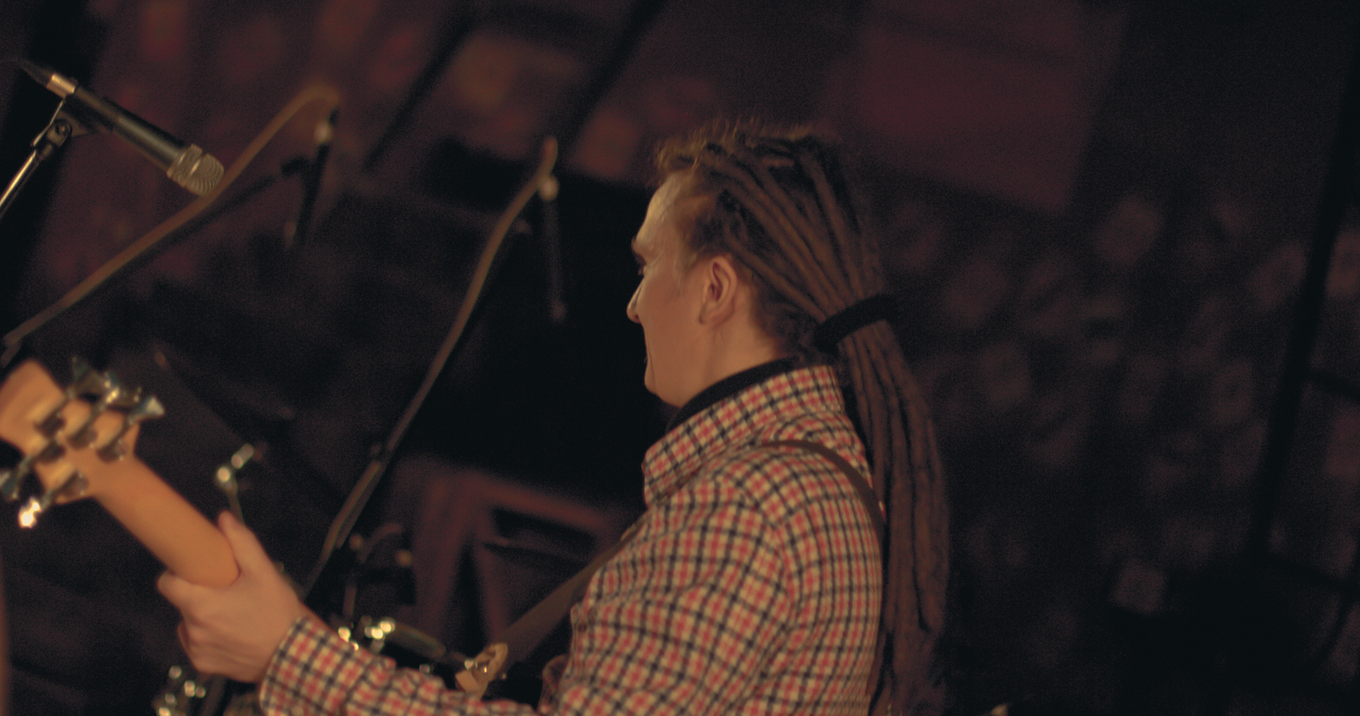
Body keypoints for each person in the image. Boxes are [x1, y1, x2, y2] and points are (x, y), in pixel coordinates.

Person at [159, 120, 949, 714]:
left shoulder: (747, 510)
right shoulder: (820, 485)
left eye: (648, 267)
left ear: (714, 291)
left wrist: (289, 655)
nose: (634, 306)